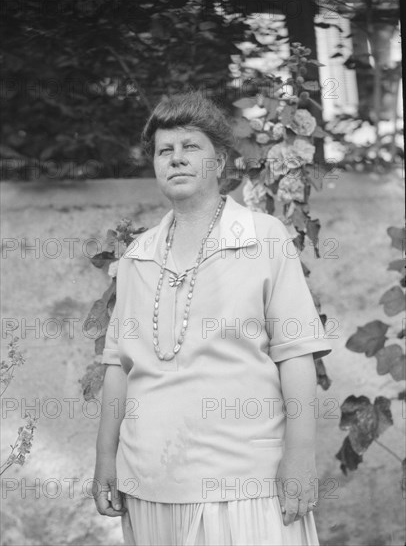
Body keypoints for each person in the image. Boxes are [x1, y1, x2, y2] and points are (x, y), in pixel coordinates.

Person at [92, 90, 333, 546]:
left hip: (245, 483)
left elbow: (297, 353)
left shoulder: (265, 237)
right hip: (149, 481)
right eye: (165, 150)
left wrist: (300, 455)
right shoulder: (137, 256)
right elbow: (117, 367)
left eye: (191, 147)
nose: (176, 159)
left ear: (219, 162)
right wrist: (106, 457)